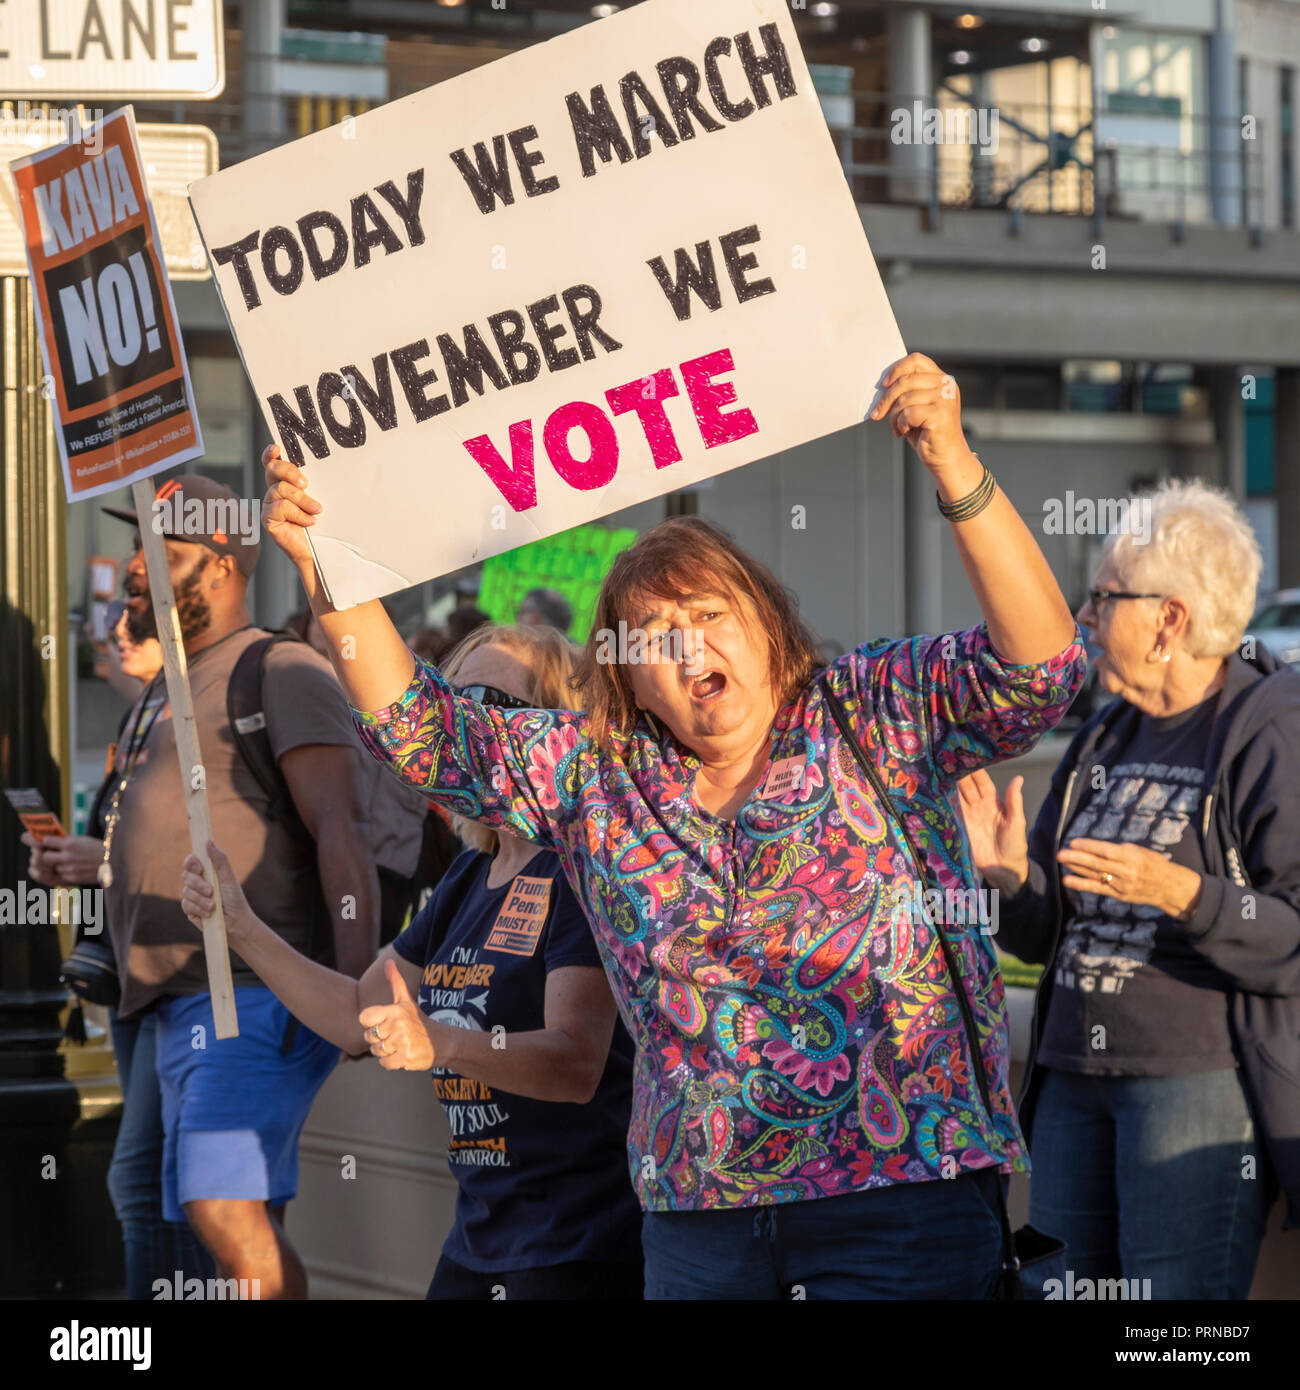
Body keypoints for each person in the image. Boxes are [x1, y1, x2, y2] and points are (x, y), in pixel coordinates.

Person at [261, 351, 1086, 1299]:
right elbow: (423, 731)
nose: (687, 644)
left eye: (708, 613)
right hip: (702, 1227)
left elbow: (1040, 671)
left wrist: (953, 461)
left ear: (769, 628)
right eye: (653, 637)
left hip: (899, 1208)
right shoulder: (603, 780)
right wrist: (332, 564)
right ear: (629, 680)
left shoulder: (870, 711)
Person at [180, 623, 643, 1299]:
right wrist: (241, 927)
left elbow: (575, 1063)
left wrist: (440, 1041)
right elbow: (354, 1016)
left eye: (496, 703)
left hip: (574, 1243)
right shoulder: (469, 876)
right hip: (483, 1234)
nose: (472, 724)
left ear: (552, 729)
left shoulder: (571, 868)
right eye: (458, 702)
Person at [959, 478, 1300, 1300]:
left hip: (1195, 1087)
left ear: (1169, 620)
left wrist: (1187, 895)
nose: (1083, 617)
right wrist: (1008, 880)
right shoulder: (1109, 730)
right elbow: (1048, 934)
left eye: (1105, 597)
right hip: (1072, 1080)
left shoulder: (1271, 726)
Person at [96, 473, 382, 1299]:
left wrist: (352, 992)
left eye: (166, 551)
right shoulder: (169, 686)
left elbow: (344, 830)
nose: (138, 567)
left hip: (246, 992)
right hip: (160, 1001)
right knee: (157, 1208)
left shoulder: (280, 668)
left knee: (222, 1207)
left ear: (221, 566)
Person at [25, 603, 215, 1299]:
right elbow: (126, 832)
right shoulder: (145, 715)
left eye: (133, 615)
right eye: (113, 616)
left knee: (146, 1177)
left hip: (187, 976)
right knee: (151, 1181)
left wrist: (99, 863)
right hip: (138, 973)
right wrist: (78, 863)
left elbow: (200, 848)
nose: (118, 630)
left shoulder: (200, 711)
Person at [283, 607, 430, 942]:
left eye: (346, 616)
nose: (330, 627)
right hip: (322, 856)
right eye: (322, 617)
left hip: (389, 854)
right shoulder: (290, 681)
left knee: (369, 950)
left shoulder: (401, 682)